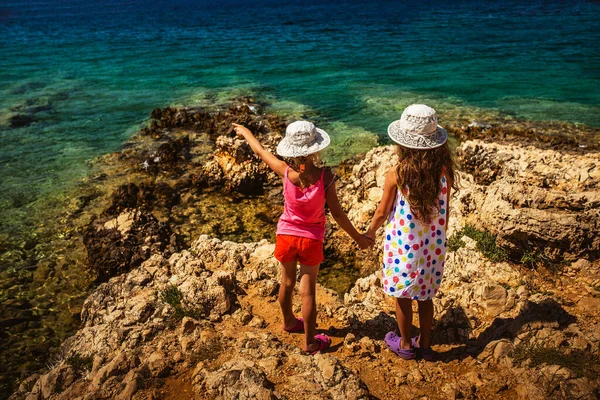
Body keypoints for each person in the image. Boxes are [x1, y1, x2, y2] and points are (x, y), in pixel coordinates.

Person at [232, 120, 373, 355]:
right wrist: (358, 238)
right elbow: (337, 214)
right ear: (315, 149)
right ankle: (310, 342)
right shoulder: (326, 177)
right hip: (311, 240)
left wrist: (246, 132)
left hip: (286, 235)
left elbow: (259, 150)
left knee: (286, 283)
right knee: (308, 292)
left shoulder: (285, 171)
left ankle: (288, 321)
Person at [365, 104, 457, 360]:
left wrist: (370, 232)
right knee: (425, 298)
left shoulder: (398, 173)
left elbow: (383, 212)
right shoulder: (443, 172)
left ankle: (405, 344)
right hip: (432, 246)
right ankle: (425, 345)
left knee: (403, 297)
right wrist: (439, 236)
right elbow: (444, 213)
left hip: (403, 245)